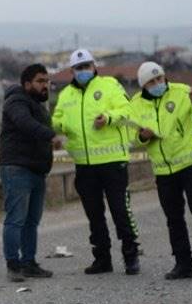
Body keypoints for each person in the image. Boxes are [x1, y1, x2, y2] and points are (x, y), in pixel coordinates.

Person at [51, 49, 141, 275]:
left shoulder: (109, 85)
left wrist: (108, 118)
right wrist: (61, 126)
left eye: (87, 66)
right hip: (84, 164)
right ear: (72, 71)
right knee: (94, 215)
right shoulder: (66, 95)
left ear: (94, 66)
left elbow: (127, 110)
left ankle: (131, 256)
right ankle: (102, 259)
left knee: (120, 210)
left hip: (112, 161)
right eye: (79, 68)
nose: (84, 71)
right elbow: (57, 119)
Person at [129, 62, 192, 281]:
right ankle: (183, 263)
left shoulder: (181, 91)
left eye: (160, 78)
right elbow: (132, 136)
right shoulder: (136, 104)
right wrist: (143, 136)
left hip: (191, 163)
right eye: (152, 82)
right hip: (163, 169)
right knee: (173, 218)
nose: (158, 83)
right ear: (143, 85)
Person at [0, 63, 56, 282]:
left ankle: (29, 263)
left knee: (32, 221)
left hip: (36, 170)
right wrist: (50, 135)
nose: (45, 85)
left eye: (47, 81)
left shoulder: (38, 105)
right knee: (16, 219)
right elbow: (25, 123)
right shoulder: (16, 101)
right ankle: (13, 265)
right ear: (27, 83)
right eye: (40, 81)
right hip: (18, 169)